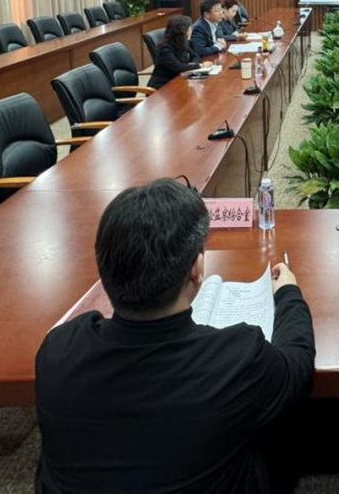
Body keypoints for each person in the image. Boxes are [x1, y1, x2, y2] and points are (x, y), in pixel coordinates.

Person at [35, 179, 315, 493]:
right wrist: (288, 292)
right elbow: (298, 362)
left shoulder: (56, 351)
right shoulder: (237, 358)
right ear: (196, 270)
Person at [148, 15, 212, 89]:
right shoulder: (165, 48)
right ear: (182, 31)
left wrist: (192, 63)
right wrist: (201, 65)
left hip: (179, 80)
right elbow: (178, 67)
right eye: (189, 29)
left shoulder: (182, 43)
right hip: (162, 87)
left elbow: (195, 56)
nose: (191, 31)